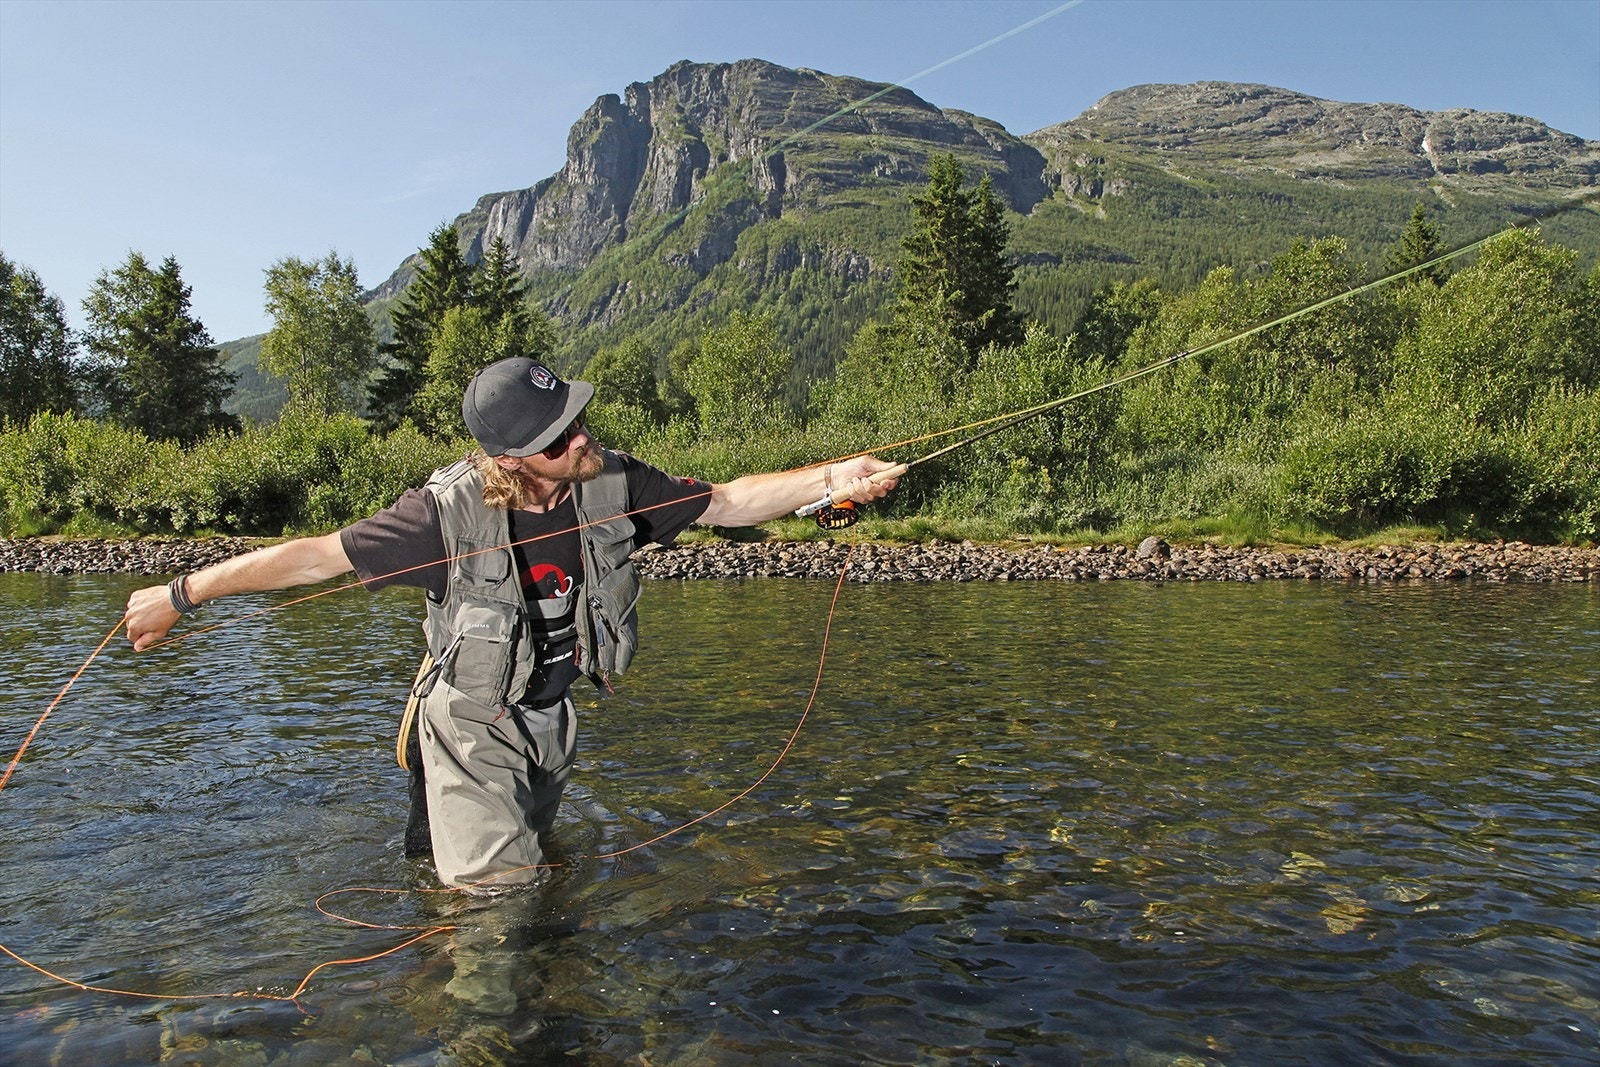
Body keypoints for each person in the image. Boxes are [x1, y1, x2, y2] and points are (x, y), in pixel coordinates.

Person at [124, 357, 898, 892]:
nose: (583, 439)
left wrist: (834, 477)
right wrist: (182, 594)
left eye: (579, 418)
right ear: (513, 458)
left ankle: (437, 891)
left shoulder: (615, 481)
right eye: (560, 438)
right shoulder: (439, 515)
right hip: (469, 724)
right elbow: (312, 558)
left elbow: (728, 501)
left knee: (525, 872)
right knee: (501, 902)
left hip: (551, 720)